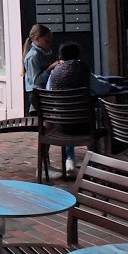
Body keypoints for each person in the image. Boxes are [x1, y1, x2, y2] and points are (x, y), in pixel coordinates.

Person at [45, 41, 89, 174]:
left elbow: (48, 91)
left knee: (66, 116)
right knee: (94, 120)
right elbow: (99, 87)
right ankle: (96, 160)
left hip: (60, 126)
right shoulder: (83, 70)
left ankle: (69, 159)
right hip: (84, 126)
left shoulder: (54, 74)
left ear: (60, 56)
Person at [23, 24, 55, 114]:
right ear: (37, 39)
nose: (49, 43)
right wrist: (50, 68)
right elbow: (36, 80)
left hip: (41, 92)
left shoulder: (42, 52)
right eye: (46, 40)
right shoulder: (33, 56)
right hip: (37, 93)